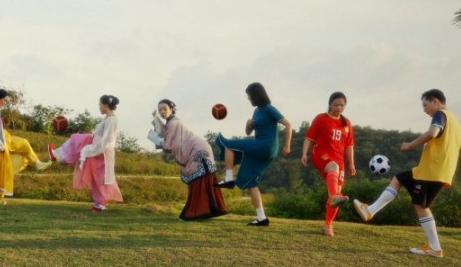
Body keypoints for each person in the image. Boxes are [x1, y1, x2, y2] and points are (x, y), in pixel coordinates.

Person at [353, 89, 461, 258]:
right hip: (441, 171)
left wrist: (409, 145)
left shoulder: (441, 114)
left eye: (425, 105)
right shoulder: (457, 123)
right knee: (402, 182)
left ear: (435, 101)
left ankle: (434, 248)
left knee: (419, 203)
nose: (424, 109)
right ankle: (434, 248)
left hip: (431, 171)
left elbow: (432, 133)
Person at [215, 82, 293, 226]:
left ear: (256, 95)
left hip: (266, 146)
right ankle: (261, 217)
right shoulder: (257, 111)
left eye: (249, 95)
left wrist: (287, 145)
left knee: (227, 144)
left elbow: (288, 124)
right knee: (251, 182)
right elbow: (248, 133)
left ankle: (229, 178)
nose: (248, 98)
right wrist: (248, 125)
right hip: (261, 148)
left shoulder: (269, 109)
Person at [150, 99, 227, 221]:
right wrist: (156, 119)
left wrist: (155, 140)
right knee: (201, 181)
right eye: (160, 110)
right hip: (197, 149)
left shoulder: (174, 123)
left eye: (165, 109)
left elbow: (168, 145)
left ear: (172, 109)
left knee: (198, 180)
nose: (162, 112)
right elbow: (164, 132)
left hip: (198, 151)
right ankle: (207, 211)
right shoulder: (171, 123)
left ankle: (195, 213)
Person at [48, 95, 124, 212]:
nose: (99, 107)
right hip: (98, 148)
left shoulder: (111, 119)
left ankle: (100, 203)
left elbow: (108, 139)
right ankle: (58, 155)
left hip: (102, 151)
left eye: (100, 105)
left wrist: (92, 149)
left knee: (101, 178)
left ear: (105, 105)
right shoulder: (108, 119)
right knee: (76, 139)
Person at [300, 91, 355, 236]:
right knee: (333, 168)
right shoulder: (321, 119)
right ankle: (334, 197)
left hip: (339, 160)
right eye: (336, 104)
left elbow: (349, 145)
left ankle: (328, 225)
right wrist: (304, 153)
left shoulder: (347, 123)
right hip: (321, 154)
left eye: (342, 105)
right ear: (330, 105)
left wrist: (352, 164)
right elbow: (309, 138)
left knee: (336, 192)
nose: (339, 108)